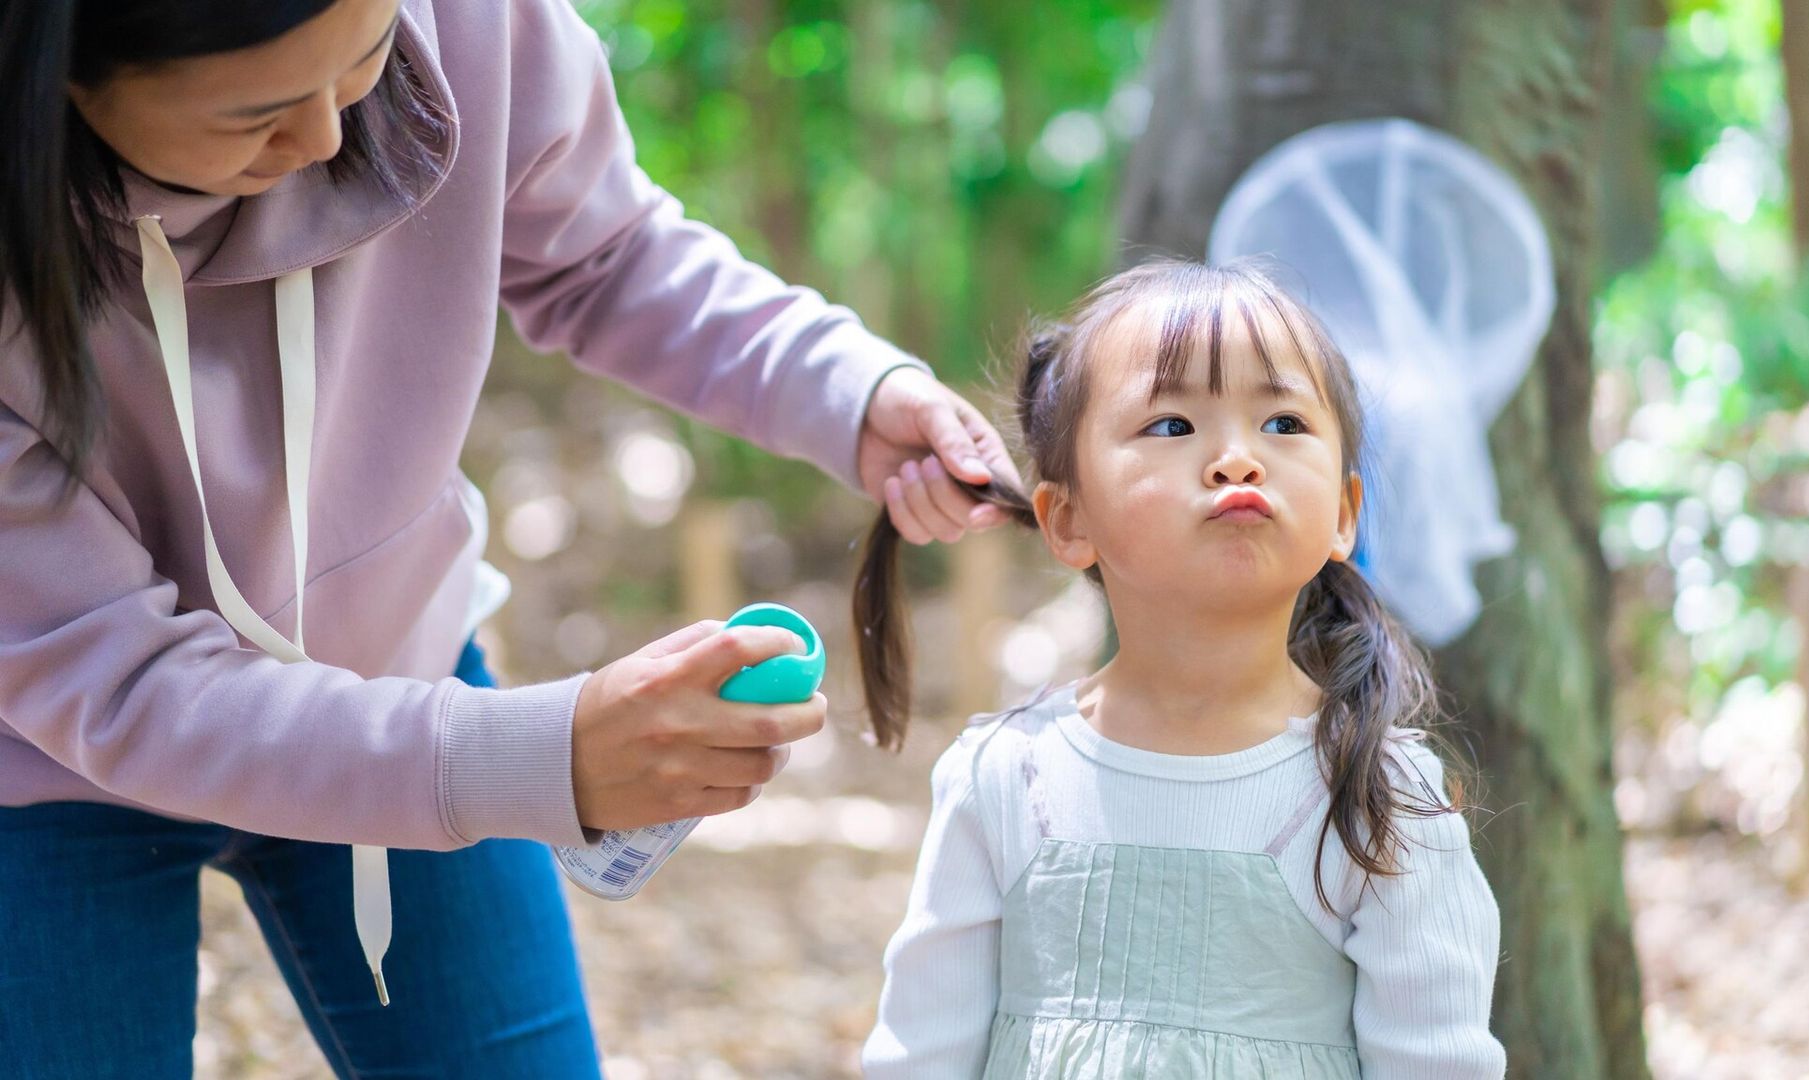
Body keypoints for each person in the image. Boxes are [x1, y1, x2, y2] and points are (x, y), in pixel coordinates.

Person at [0, 0, 1014, 1075]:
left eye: (366, 59)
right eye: (257, 113)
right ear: (57, 70)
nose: (331, 144)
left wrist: (849, 391)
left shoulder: (475, 22)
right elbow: (118, 678)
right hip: (53, 771)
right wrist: (542, 758)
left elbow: (609, 255)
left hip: (402, 669)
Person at [856, 260, 1506, 1078]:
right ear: (1068, 518)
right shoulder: (1007, 780)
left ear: (1343, 515)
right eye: (1171, 426)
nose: (1237, 459)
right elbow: (921, 1055)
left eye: (1282, 423)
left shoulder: (1378, 801)